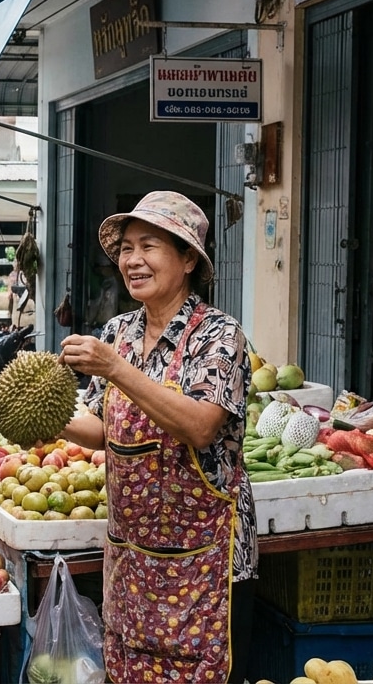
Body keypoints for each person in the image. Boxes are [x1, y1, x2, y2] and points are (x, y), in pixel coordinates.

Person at [58, 191, 254, 681]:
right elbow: (104, 429)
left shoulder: (220, 336)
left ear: (188, 258)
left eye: (149, 246)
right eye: (126, 248)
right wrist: (41, 417)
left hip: (205, 565)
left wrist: (116, 369)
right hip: (131, 560)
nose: (133, 260)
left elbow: (200, 426)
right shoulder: (118, 332)